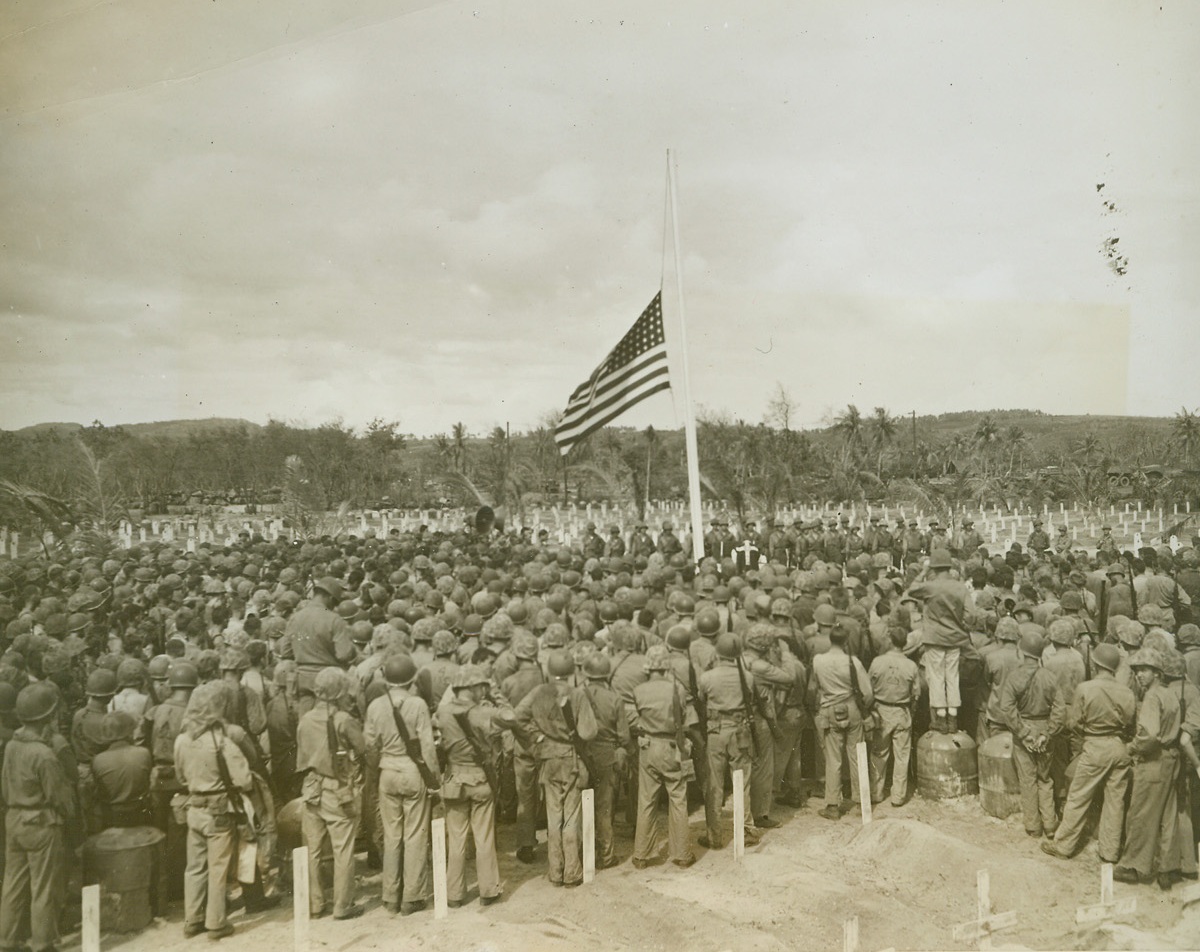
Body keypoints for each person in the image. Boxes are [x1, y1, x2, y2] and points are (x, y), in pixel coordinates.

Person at [1040, 643, 1135, 862]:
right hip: (1120, 748)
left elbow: (1074, 722)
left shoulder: (1085, 688)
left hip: (1095, 746)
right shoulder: (1127, 691)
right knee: (1115, 801)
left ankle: (1064, 846)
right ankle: (1110, 852)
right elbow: (1131, 724)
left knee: (1078, 796)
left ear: (1095, 663)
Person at [173, 681, 253, 940]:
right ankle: (216, 922)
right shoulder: (221, 742)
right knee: (218, 867)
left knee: (194, 867)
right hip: (219, 810)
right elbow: (244, 780)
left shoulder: (182, 739)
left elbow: (181, 777)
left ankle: (192, 919)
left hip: (194, 807)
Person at [0, 683, 75, 952]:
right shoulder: (44, 755)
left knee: (13, 884)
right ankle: (44, 944)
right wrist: (71, 819)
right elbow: (60, 797)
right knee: (43, 887)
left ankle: (7, 940)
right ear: (47, 718)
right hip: (41, 824)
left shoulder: (12, 745)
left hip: (14, 819)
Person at [510, 649, 594, 888]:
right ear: (571, 671)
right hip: (572, 760)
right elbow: (588, 732)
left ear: (549, 670)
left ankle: (555, 871)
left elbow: (516, 718)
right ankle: (572, 871)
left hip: (548, 758)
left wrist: (536, 738)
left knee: (553, 815)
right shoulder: (577, 694)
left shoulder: (539, 692)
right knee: (571, 816)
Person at [364, 655, 439, 916]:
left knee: (392, 834)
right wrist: (434, 779)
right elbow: (427, 747)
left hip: (387, 770)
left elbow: (370, 745)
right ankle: (413, 895)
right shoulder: (417, 704)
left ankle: (390, 895)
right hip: (412, 770)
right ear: (411, 679)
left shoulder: (375, 706)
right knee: (415, 833)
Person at [296, 667, 366, 920]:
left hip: (311, 786)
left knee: (312, 848)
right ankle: (342, 905)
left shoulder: (305, 719)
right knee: (343, 848)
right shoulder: (342, 719)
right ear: (339, 692)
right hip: (337, 787)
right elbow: (362, 747)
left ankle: (315, 904)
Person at [436, 664, 508, 907]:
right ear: (475, 687)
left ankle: (454, 894)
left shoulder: (442, 712)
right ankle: (488, 890)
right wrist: (496, 692)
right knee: (484, 838)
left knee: (456, 840)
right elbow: (510, 716)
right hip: (479, 779)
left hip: (454, 780)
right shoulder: (483, 713)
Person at [1114, 648, 1182, 888]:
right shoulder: (1170, 693)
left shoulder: (1152, 697)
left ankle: (1133, 867)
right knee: (1167, 814)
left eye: (1144, 670)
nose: (1139, 675)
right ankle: (1168, 868)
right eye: (1136, 670)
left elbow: (1150, 735)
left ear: (1156, 673)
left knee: (1141, 812)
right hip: (1172, 758)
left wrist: (1132, 747)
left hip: (1153, 760)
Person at [630, 645, 695, 869]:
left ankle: (641, 854)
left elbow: (635, 719)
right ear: (667, 665)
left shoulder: (639, 691)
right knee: (678, 798)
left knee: (647, 800)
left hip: (648, 746)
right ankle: (682, 854)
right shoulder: (678, 690)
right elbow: (684, 719)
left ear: (648, 666)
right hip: (672, 745)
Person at [999, 629, 1060, 839]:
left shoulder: (1015, 677)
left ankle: (1033, 826)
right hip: (1045, 730)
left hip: (1023, 728)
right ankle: (1050, 825)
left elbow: (1006, 708)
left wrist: (1024, 733)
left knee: (1028, 779)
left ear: (1021, 651)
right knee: (1045, 778)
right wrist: (1047, 734)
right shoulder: (1050, 677)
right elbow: (1060, 709)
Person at [147, 660, 197, 904]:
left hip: (157, 777)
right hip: (180, 779)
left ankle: (158, 891)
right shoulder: (190, 712)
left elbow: (144, 739)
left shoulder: (156, 710)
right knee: (181, 836)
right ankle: (178, 888)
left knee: (158, 834)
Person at [811, 622, 873, 819]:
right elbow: (867, 692)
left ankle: (832, 805)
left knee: (833, 758)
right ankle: (861, 803)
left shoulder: (818, 660)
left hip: (829, 710)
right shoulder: (853, 662)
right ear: (846, 641)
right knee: (857, 755)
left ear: (830, 639)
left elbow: (814, 688)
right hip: (852, 708)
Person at [906, 550, 971, 733]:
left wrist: (923, 572)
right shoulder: (960, 587)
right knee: (952, 676)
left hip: (934, 638)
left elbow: (911, 590)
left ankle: (940, 718)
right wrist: (960, 625)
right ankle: (953, 718)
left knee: (936, 676)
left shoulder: (930, 586)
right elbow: (971, 615)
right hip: (955, 638)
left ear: (934, 567)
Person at [578, 654, 629, 869]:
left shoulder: (577, 695)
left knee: (579, 807)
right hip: (607, 756)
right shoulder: (615, 699)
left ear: (586, 673)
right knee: (605, 807)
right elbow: (624, 736)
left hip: (582, 755)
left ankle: (581, 854)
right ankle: (606, 856)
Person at [277, 577, 356, 711]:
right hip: (329, 680)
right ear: (330, 598)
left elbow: (286, 651)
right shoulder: (334, 620)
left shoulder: (295, 618)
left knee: (306, 722)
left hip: (302, 678)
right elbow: (343, 655)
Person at [868, 626, 920, 807]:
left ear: (890, 641)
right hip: (902, 710)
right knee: (902, 755)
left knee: (878, 754)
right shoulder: (911, 665)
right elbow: (916, 694)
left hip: (881, 709)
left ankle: (875, 792)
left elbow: (869, 688)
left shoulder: (877, 662)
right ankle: (898, 796)